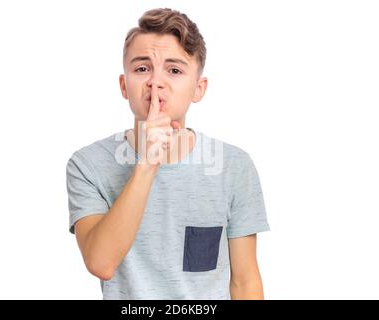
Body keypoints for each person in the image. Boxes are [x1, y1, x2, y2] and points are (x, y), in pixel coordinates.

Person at [66, 7, 270, 300]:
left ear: (198, 89)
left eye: (174, 70)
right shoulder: (87, 165)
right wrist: (147, 163)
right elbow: (101, 263)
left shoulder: (234, 166)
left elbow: (245, 281)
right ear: (124, 86)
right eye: (141, 68)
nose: (156, 83)